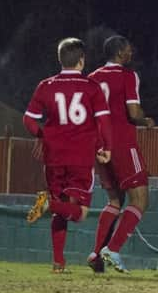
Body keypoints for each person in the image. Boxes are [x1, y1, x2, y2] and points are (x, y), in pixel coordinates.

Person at [23, 37, 112, 273]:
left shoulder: (45, 85)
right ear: (82, 60)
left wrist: (43, 136)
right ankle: (46, 206)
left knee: (60, 207)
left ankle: (58, 262)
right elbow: (103, 120)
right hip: (80, 157)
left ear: (60, 59)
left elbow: (28, 119)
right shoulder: (91, 87)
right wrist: (106, 147)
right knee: (80, 213)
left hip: (53, 157)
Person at [86, 35, 155, 273]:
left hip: (100, 146)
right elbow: (133, 112)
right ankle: (112, 249)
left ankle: (96, 253)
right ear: (119, 53)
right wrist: (145, 120)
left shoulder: (92, 78)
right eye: (128, 49)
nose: (131, 53)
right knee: (141, 199)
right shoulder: (128, 76)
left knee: (115, 201)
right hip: (123, 143)